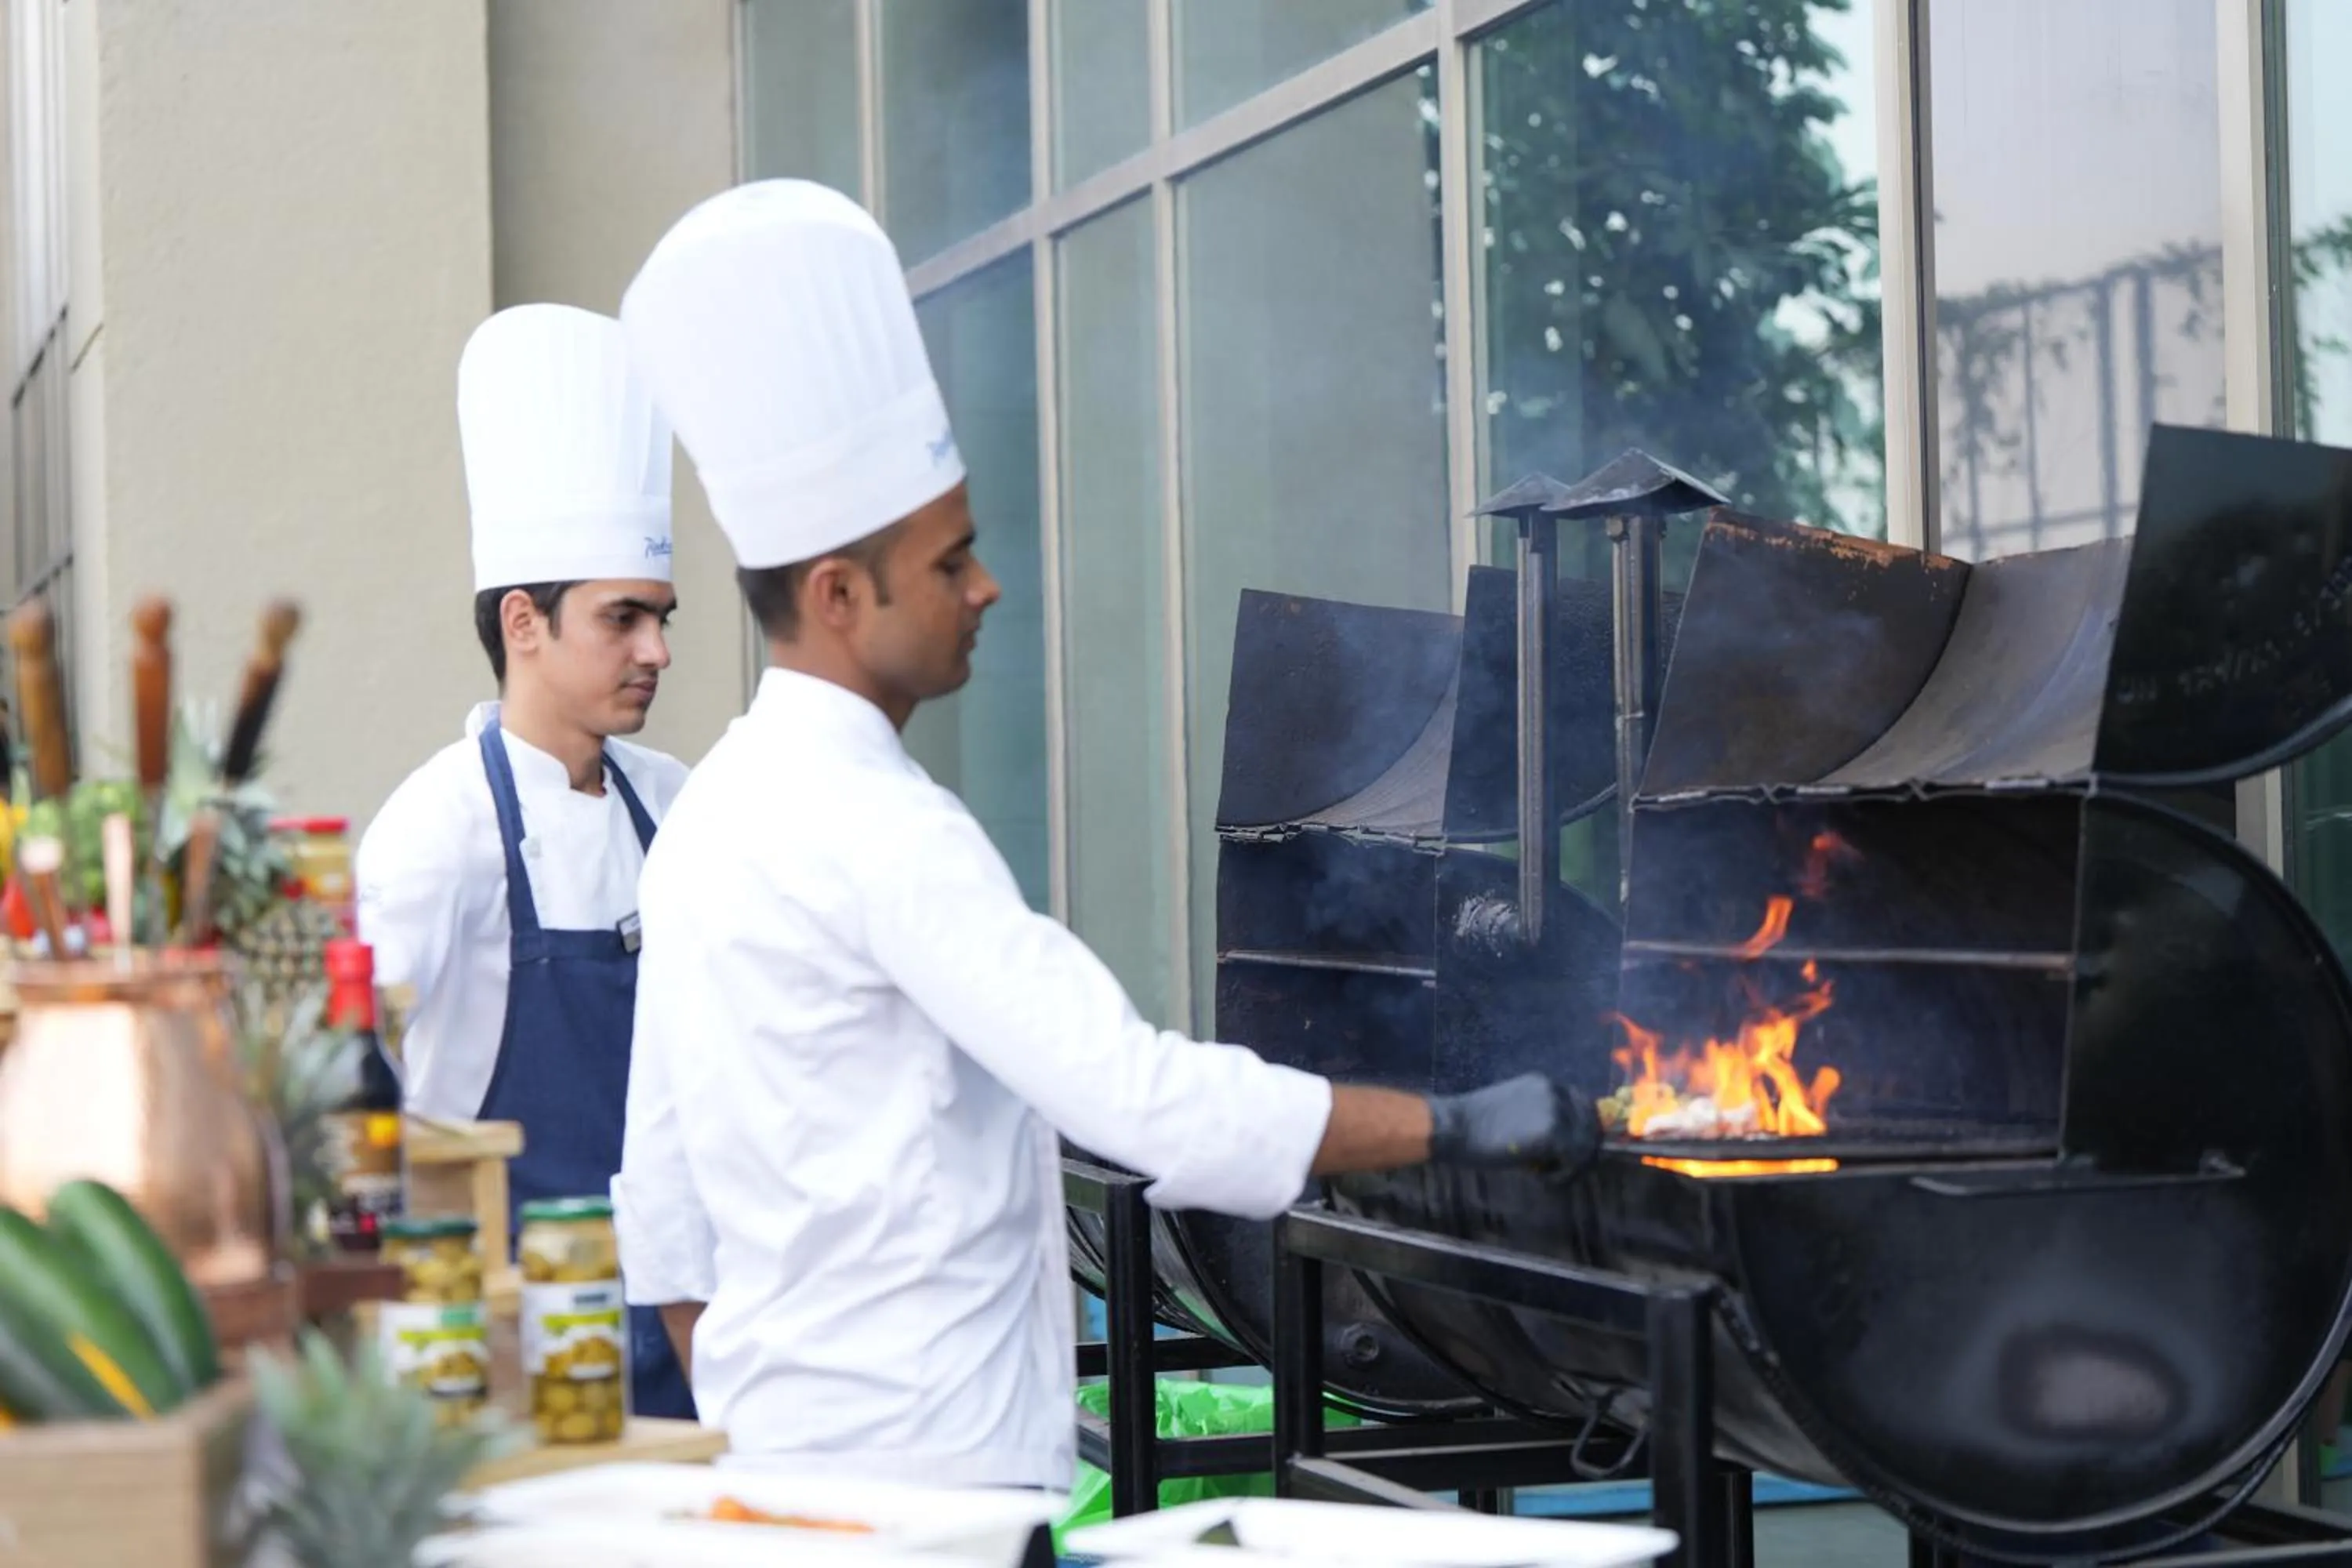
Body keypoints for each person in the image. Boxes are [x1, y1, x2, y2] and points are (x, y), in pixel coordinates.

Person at [612, 180, 1596, 1486]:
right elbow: (1146, 1104)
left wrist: (766, 1426)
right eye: (953, 561)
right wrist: (1466, 1126)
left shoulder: (709, 815)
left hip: (789, 1479)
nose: (987, 586)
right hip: (930, 1503)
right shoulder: (881, 832)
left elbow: (663, 1209)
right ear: (841, 595)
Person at [355, 302, 701, 1421]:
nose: (656, 651)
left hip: (690, 1324)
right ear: (524, 623)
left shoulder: (684, 809)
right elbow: (354, 1094)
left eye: (661, 618)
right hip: (506, 1353)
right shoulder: (436, 831)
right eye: (622, 620)